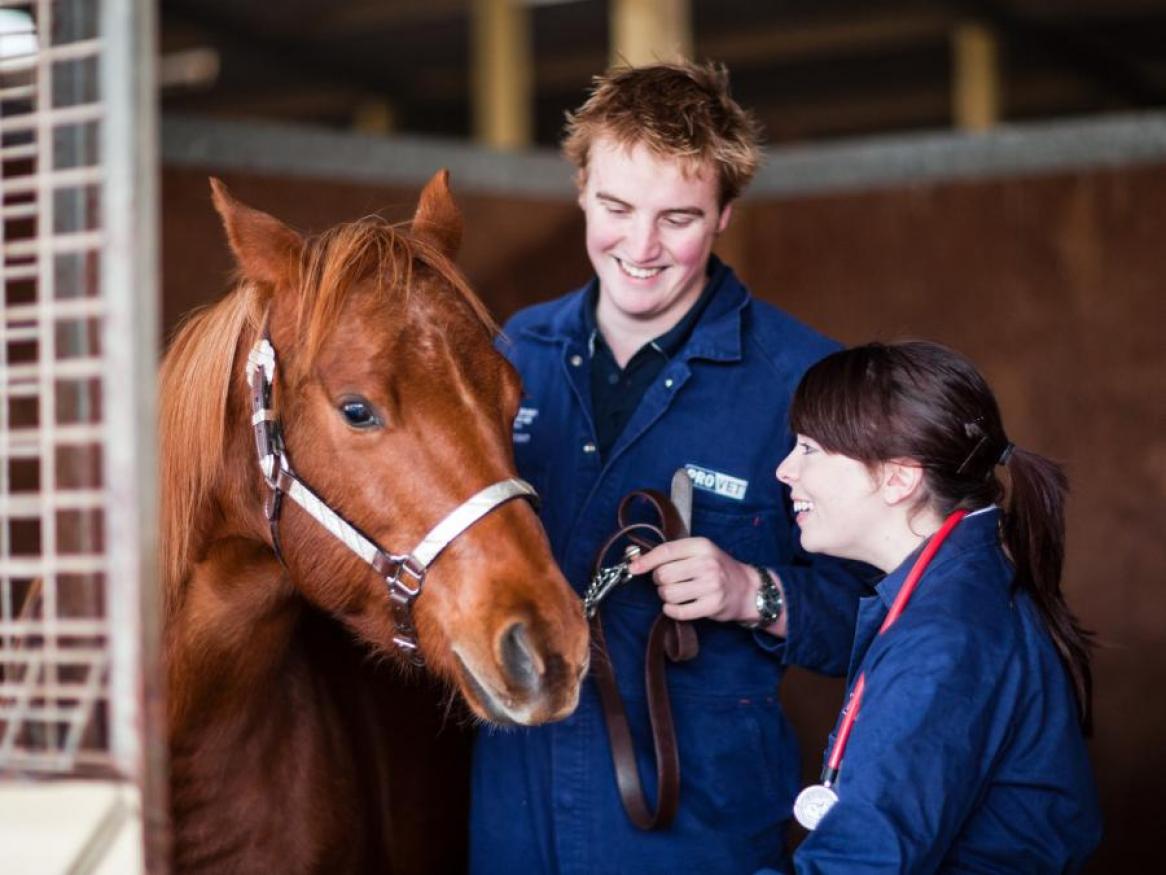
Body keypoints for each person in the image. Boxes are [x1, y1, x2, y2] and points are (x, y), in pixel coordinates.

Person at [470, 61, 870, 875]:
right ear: (581, 187)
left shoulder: (802, 380)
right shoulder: (512, 354)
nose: (641, 247)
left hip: (696, 825)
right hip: (514, 805)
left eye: (678, 217)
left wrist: (751, 592)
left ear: (724, 214)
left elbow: (879, 618)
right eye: (616, 207)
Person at [769, 341, 1101, 873]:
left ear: (899, 477)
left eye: (810, 448)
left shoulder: (944, 638)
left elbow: (862, 864)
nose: (786, 470)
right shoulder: (970, 580)